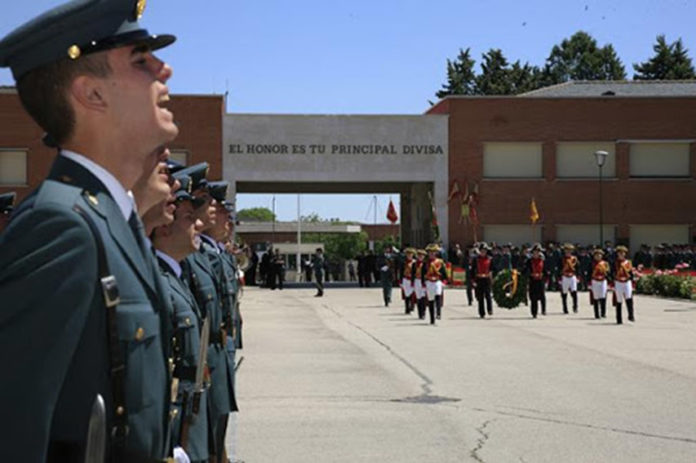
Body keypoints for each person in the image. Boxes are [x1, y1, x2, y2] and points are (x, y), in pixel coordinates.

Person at [0, 1, 183, 460]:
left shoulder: (111, 221)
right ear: (92, 95)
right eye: (141, 61)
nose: (166, 70)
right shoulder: (60, 227)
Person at [178, 163, 238, 463]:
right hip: (199, 356)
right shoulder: (188, 256)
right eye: (205, 202)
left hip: (215, 347)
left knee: (218, 418)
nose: (216, 210)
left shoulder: (206, 253)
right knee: (201, 432)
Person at [152, 174, 210, 462]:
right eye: (189, 217)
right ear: (163, 228)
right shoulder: (159, 283)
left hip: (188, 418)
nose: (199, 224)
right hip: (173, 425)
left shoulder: (175, 277)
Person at [423, 243, 447, 324]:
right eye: (430, 252)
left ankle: (438, 312)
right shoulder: (425, 263)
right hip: (429, 282)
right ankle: (432, 319)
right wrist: (424, 282)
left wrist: (444, 281)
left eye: (434, 252)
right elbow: (423, 273)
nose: (432, 254)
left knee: (438, 295)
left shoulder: (440, 262)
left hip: (437, 281)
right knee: (430, 300)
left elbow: (444, 272)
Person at [613, 245, 635, 324]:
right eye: (620, 253)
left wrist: (632, 280)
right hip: (618, 282)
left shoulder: (628, 262)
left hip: (627, 281)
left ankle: (631, 315)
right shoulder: (615, 262)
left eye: (623, 253)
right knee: (619, 300)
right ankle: (619, 319)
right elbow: (612, 273)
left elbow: (631, 273)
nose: (621, 254)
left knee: (629, 297)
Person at [471, 243, 494, 318]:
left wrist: (491, 277)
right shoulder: (476, 259)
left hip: (487, 279)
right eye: (482, 251)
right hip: (479, 279)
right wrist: (473, 280)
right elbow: (472, 270)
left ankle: (490, 309)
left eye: (484, 251)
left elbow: (492, 269)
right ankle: (481, 312)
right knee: (480, 297)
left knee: (488, 295)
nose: (483, 252)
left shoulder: (490, 259)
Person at [526, 243, 547, 318]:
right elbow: (526, 270)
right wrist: (530, 274)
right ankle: (534, 312)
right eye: (534, 252)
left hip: (540, 280)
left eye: (537, 252)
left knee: (542, 296)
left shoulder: (543, 261)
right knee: (533, 297)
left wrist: (544, 276)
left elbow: (546, 271)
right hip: (533, 280)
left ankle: (543, 310)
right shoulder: (529, 261)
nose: (536, 253)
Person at [590, 248, 610, 319]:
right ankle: (596, 314)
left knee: (603, 296)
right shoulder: (592, 263)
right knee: (596, 297)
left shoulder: (605, 263)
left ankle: (603, 312)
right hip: (595, 281)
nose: (598, 256)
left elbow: (608, 273)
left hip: (603, 280)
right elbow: (589, 273)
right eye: (596, 255)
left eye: (599, 255)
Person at [560, 243, 579, 314]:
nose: (568, 252)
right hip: (564, 277)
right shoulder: (562, 259)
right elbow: (559, 268)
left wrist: (578, 276)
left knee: (574, 292)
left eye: (570, 251)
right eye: (567, 250)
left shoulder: (574, 259)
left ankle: (575, 306)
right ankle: (565, 308)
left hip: (572, 277)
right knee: (564, 293)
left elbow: (577, 268)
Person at [412, 249, 428, 319]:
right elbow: (412, 274)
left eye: (422, 256)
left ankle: (423, 312)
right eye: (419, 255)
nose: (420, 257)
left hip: (423, 282)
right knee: (418, 297)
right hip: (417, 281)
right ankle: (419, 313)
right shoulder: (414, 264)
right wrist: (412, 282)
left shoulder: (426, 264)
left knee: (423, 297)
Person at [400, 248, 417, 314]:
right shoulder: (403, 262)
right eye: (408, 254)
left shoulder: (415, 263)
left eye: (410, 254)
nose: (409, 255)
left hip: (413, 280)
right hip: (405, 279)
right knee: (406, 294)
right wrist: (400, 281)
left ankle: (412, 306)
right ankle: (407, 307)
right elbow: (401, 272)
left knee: (413, 294)